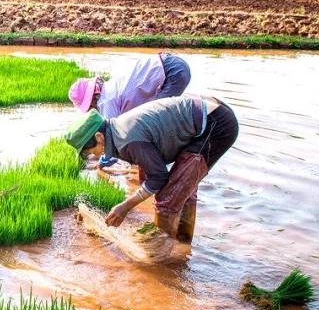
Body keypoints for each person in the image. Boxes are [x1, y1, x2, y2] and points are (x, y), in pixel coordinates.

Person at [67, 94, 238, 244]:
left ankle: (162, 261)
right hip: (206, 114)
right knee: (183, 190)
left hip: (215, 124)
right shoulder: (117, 132)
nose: (91, 156)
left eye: (87, 152)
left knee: (169, 197)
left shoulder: (127, 138)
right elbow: (149, 166)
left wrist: (126, 206)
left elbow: (158, 177)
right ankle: (182, 245)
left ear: (99, 136)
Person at [68, 52, 192, 119]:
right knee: (153, 114)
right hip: (172, 63)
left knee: (155, 118)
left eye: (89, 108)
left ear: (92, 101)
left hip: (172, 72)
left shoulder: (106, 102)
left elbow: (113, 132)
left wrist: (105, 157)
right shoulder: (111, 86)